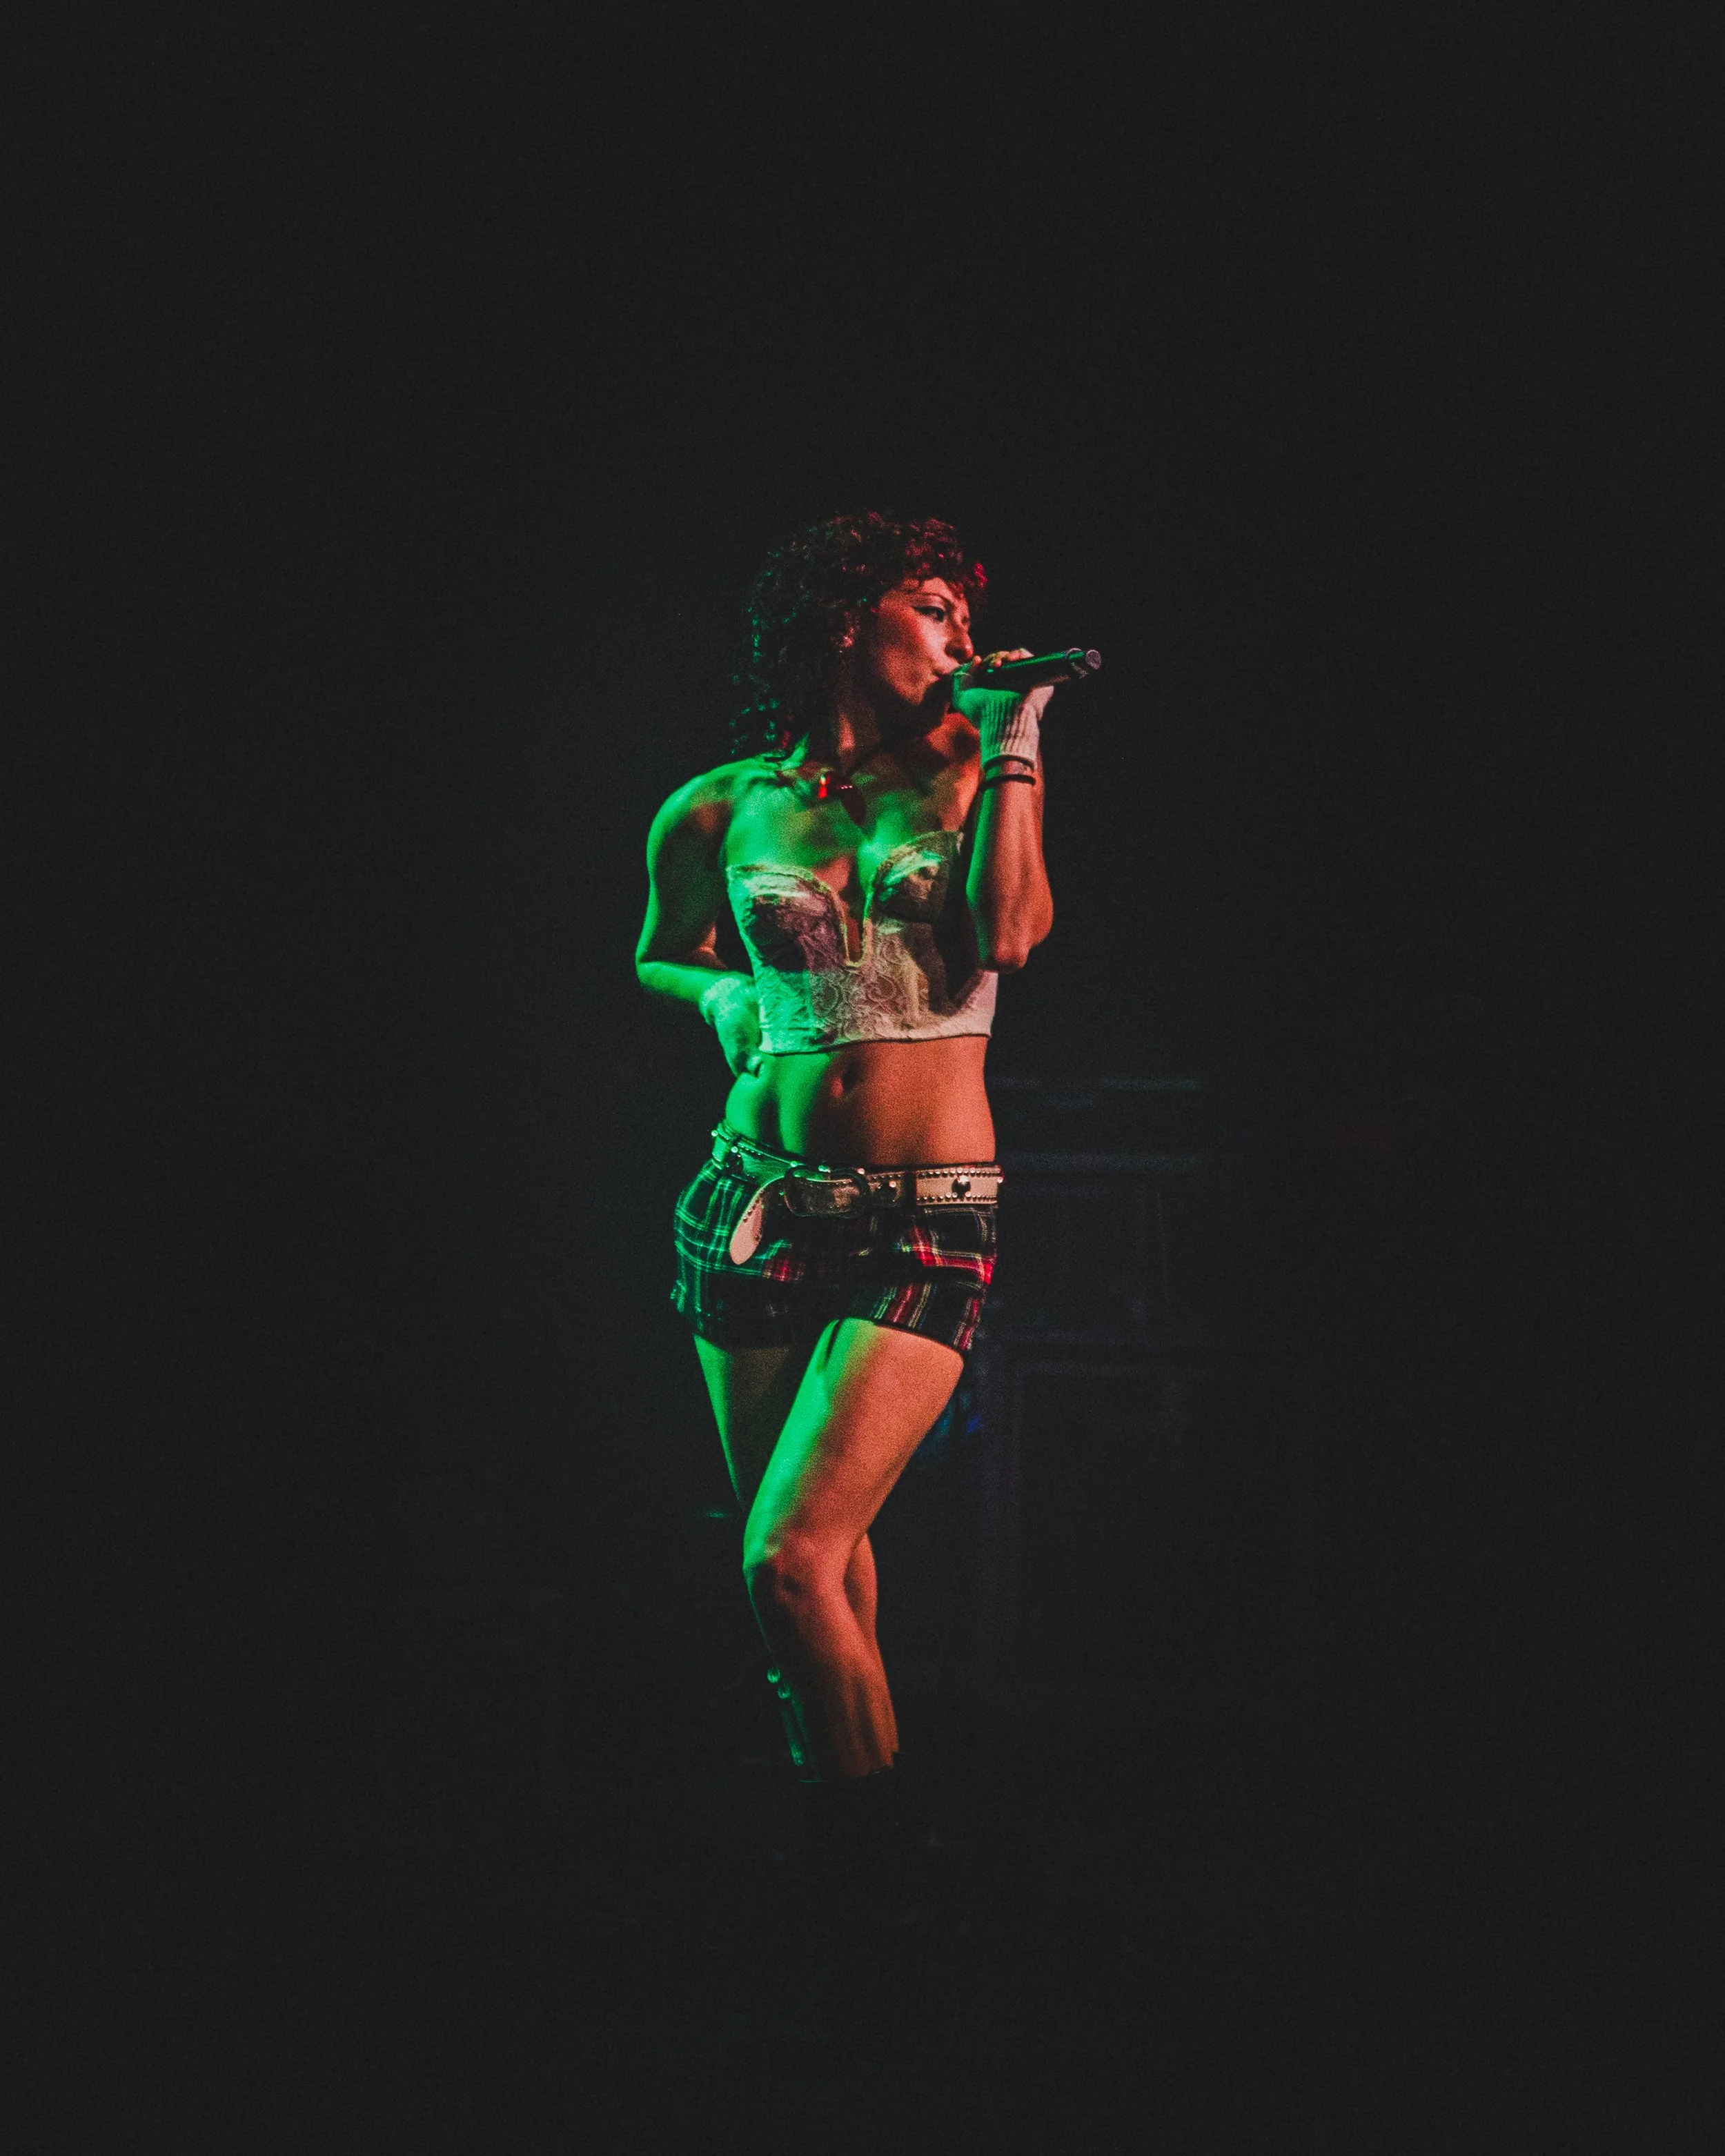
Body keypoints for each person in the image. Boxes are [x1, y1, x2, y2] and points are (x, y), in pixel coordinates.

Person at [635, 511, 1056, 1920]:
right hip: (751, 1197)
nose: (955, 635)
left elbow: (1008, 933)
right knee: (807, 1569)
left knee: (787, 1556)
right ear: (843, 622)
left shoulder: (972, 769)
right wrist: (719, 993)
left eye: (960, 613)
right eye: (929, 607)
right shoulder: (718, 804)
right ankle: (852, 1867)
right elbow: (659, 950)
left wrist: (1018, 736)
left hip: (925, 1211)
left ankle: (875, 1890)